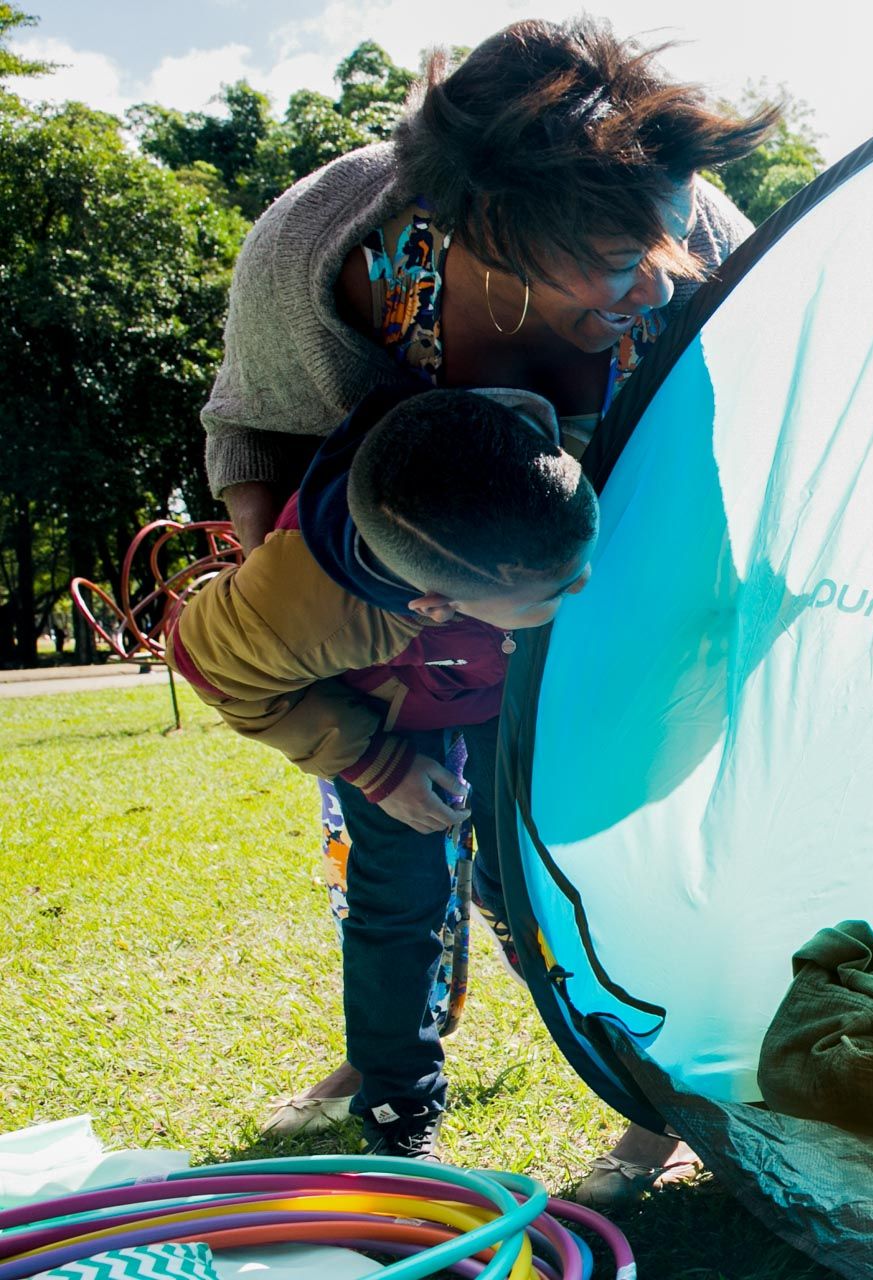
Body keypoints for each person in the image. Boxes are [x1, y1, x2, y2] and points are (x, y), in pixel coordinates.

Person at [198, 15, 776, 1197]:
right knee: (394, 862)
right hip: (395, 594)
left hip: (606, 594)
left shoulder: (701, 247)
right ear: (483, 231)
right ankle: (389, 1063)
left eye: (658, 245)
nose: (652, 280)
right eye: (606, 265)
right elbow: (254, 431)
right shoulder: (329, 249)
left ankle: (657, 1107)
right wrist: (331, 624)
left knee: (591, 862)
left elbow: (744, 464)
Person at [170, 387, 596, 1158]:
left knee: (538, 876)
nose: (584, 586)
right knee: (396, 901)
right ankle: (399, 1116)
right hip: (388, 715)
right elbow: (209, 666)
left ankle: (634, 1069)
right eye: (555, 590)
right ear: (435, 606)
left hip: (516, 698)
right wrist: (375, 764)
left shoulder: (532, 479)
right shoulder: (298, 601)